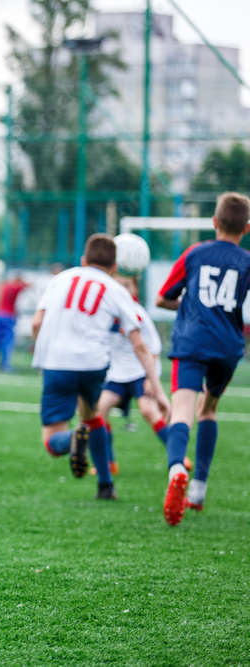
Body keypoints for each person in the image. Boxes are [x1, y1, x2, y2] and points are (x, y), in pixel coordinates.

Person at [31, 234, 170, 500]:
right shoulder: (116, 289)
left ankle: (72, 438)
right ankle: (105, 486)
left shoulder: (61, 279)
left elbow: (37, 323)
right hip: (94, 365)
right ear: (115, 266)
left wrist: (43, 352)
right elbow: (140, 343)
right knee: (93, 417)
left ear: (83, 260)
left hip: (58, 362)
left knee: (51, 440)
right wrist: (159, 389)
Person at [155, 191, 250, 526]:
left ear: (214, 222)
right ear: (247, 228)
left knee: (182, 411)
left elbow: (163, 298)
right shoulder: (247, 261)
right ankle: (198, 489)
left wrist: (192, 307)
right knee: (208, 409)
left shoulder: (195, 253)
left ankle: (178, 467)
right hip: (227, 346)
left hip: (192, 343)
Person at [93, 274, 190, 477]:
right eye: (118, 285)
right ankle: (109, 462)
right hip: (118, 375)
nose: (123, 290)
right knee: (100, 409)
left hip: (140, 372)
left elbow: (152, 347)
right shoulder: (107, 314)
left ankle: (178, 456)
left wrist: (149, 378)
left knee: (148, 411)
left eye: (127, 286)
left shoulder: (137, 313)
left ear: (135, 289)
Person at [0, 272, 29, 372]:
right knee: (7, 341)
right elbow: (28, 285)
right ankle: (5, 365)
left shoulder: (4, 285)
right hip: (9, 316)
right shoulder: (16, 287)